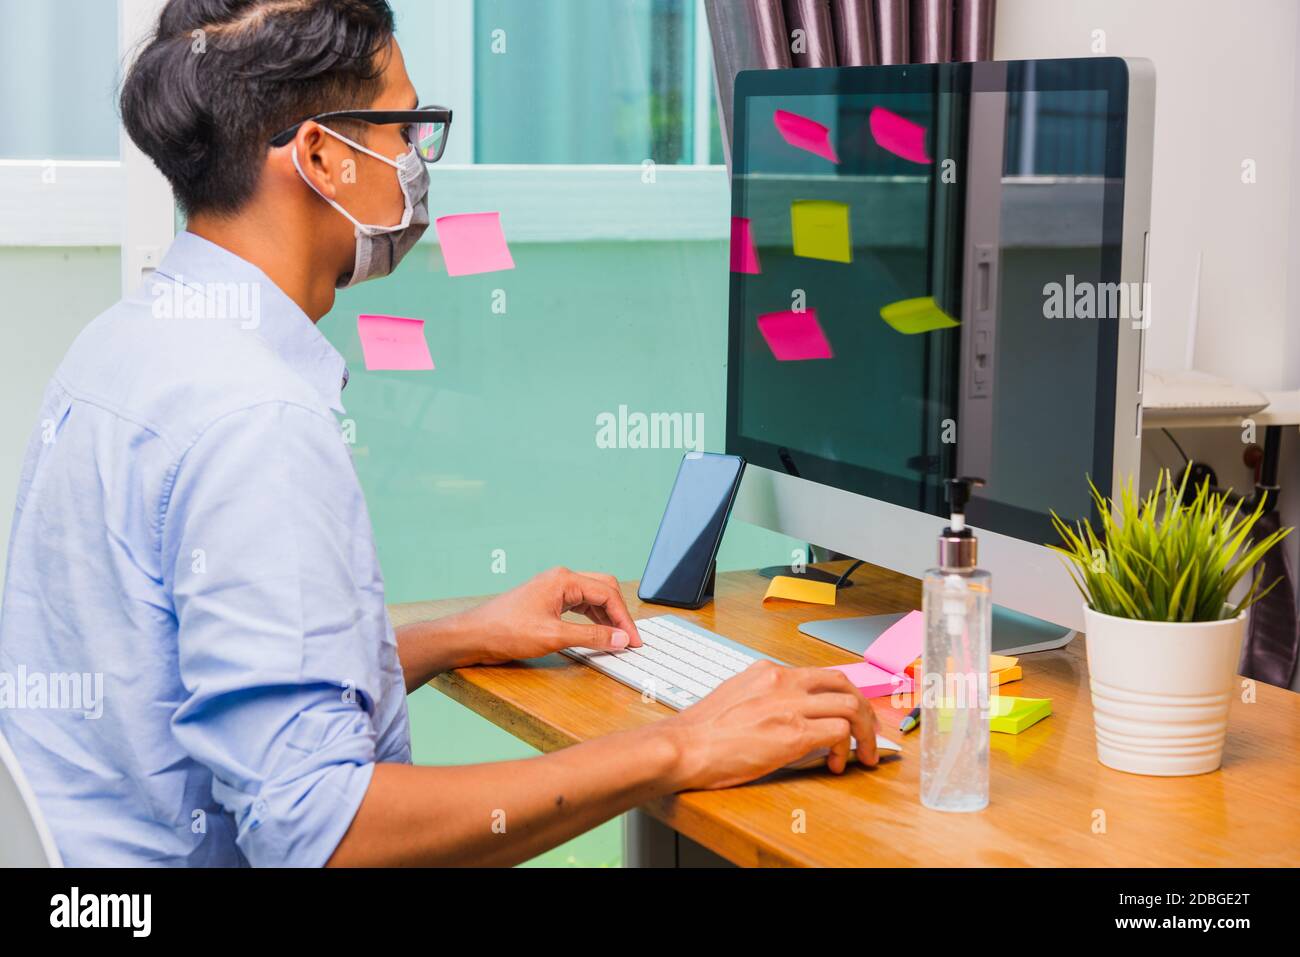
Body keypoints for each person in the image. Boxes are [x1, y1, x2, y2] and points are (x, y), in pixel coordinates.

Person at [0, 0, 877, 867]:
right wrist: (680, 746)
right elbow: (326, 837)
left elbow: (203, 680)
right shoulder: (254, 422)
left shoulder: (123, 346)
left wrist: (459, 635)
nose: (418, 165)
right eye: (403, 132)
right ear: (320, 157)